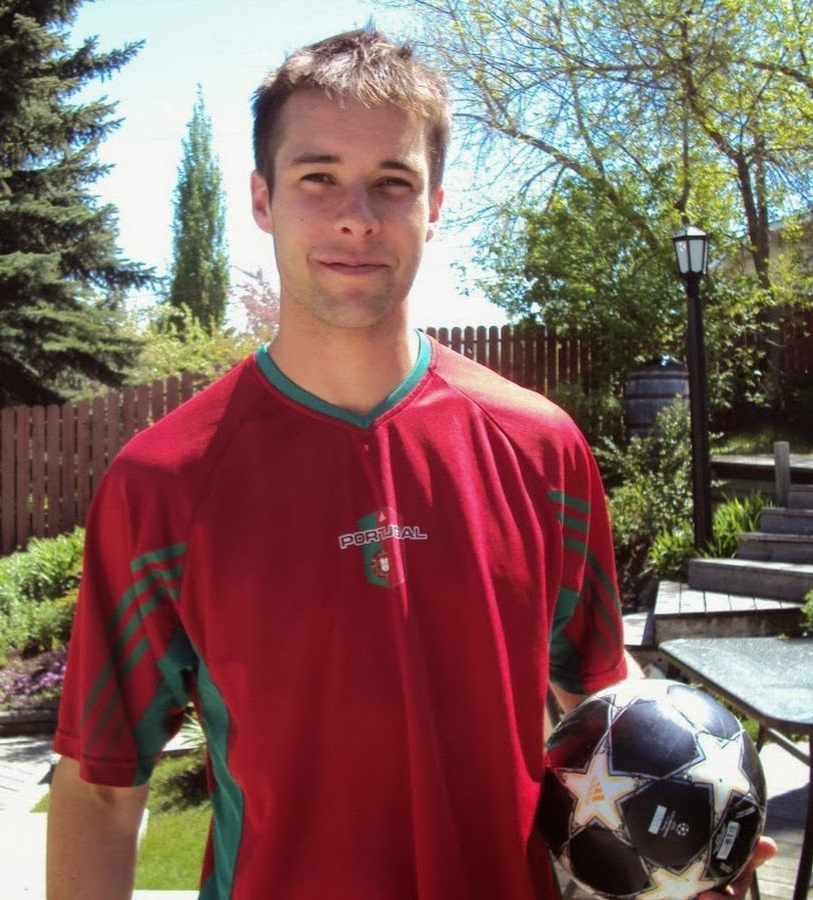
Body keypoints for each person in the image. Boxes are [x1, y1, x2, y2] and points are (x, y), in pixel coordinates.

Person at [46, 27, 775, 900]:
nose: (357, 214)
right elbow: (101, 785)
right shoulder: (162, 484)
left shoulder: (541, 450)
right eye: (318, 177)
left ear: (434, 206)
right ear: (263, 198)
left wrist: (686, 834)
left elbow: (600, 694)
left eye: (393, 181)